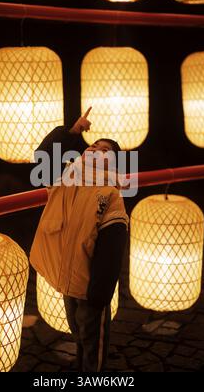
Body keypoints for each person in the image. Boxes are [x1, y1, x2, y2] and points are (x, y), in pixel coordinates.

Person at [30, 108, 129, 372]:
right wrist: (73, 132)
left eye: (105, 150)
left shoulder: (110, 194)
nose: (96, 149)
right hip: (67, 281)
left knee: (92, 339)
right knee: (77, 333)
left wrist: (99, 295)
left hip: (90, 287)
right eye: (94, 145)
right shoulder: (64, 180)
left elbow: (112, 248)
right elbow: (42, 157)